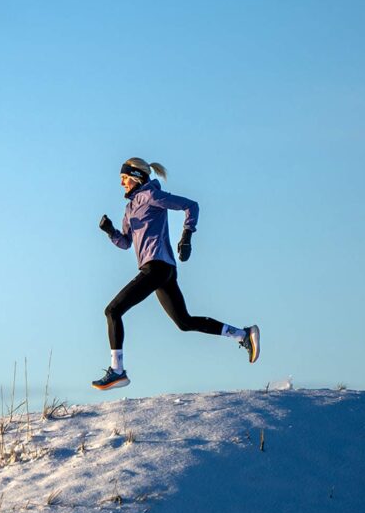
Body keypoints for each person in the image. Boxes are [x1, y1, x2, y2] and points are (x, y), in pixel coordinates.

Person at [93, 157, 259, 390]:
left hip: (157, 267)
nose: (122, 184)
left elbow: (191, 205)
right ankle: (243, 334)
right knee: (184, 322)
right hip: (161, 271)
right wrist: (110, 232)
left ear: (136, 177)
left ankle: (117, 371)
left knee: (112, 311)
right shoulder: (129, 208)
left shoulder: (151, 196)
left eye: (124, 179)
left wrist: (187, 237)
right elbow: (126, 243)